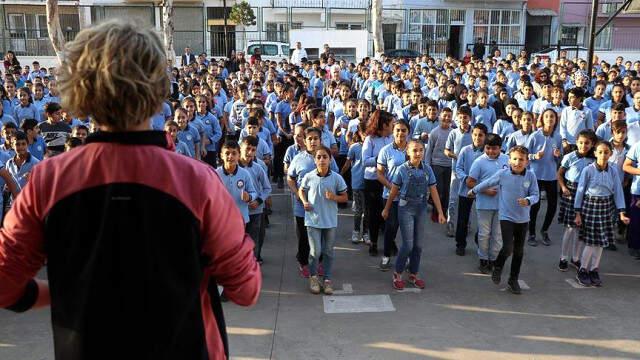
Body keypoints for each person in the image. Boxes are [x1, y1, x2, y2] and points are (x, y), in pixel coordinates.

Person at [0, 19, 260, 359]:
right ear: (157, 89)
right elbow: (246, 290)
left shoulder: (47, 182)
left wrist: (73, 291)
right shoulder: (198, 182)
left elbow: (5, 286)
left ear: (78, 90)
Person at [469, 145, 540, 295]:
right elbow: (488, 182)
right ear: (509, 160)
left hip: (523, 218)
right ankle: (498, 266)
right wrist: (474, 190)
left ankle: (513, 280)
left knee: (519, 252)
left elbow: (535, 195)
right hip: (506, 216)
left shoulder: (531, 176)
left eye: (521, 159)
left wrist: (528, 200)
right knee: (507, 247)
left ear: (527, 161)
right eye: (514, 159)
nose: (517, 162)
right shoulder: (503, 174)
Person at [382, 140, 445, 289]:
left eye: (421, 150)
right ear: (408, 153)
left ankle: (413, 274)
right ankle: (397, 273)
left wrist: (440, 212)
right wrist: (386, 208)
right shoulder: (402, 170)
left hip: (421, 207)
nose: (418, 153)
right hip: (405, 208)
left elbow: (434, 191)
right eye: (415, 150)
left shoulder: (427, 169)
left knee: (418, 245)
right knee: (408, 245)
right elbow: (394, 192)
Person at [574, 141, 630, 287]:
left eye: (606, 152)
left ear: (611, 154)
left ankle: (594, 269)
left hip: (606, 207)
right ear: (595, 153)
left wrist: (621, 212)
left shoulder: (613, 171)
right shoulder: (588, 170)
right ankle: (583, 270)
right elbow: (580, 191)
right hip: (591, 206)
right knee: (591, 242)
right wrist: (578, 212)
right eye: (600, 152)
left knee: (601, 243)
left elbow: (618, 191)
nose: (603, 155)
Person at [299, 145, 348, 295]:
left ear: (330, 159)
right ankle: (313, 278)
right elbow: (301, 189)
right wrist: (304, 201)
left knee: (328, 251)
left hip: (330, 221)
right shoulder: (309, 177)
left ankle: (327, 280)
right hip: (313, 220)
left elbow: (345, 197)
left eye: (325, 157)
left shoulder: (337, 178)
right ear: (314, 160)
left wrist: (334, 197)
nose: (322, 160)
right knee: (315, 251)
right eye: (318, 157)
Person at [466, 133, 509, 273]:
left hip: (502, 206)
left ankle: (494, 259)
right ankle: (483, 259)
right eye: (488, 148)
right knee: (484, 234)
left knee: (498, 235)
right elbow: (470, 182)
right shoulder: (479, 162)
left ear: (500, 148)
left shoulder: (507, 159)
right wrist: (485, 190)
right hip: (484, 205)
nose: (491, 151)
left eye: (494, 148)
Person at [557, 130, 597, 271]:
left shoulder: (594, 160)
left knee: (580, 229)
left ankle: (575, 258)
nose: (583, 145)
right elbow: (560, 174)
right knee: (569, 228)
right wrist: (563, 187)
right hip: (571, 191)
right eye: (580, 142)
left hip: (586, 193)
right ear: (576, 142)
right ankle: (563, 257)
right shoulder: (570, 157)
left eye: (587, 143)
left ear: (592, 144)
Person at [526, 108, 563, 246]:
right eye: (546, 116)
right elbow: (525, 155)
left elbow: (560, 160)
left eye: (552, 116)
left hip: (551, 176)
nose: (549, 119)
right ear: (542, 119)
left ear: (555, 120)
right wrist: (535, 156)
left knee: (553, 205)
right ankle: (531, 233)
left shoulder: (558, 137)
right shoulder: (535, 136)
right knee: (535, 205)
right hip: (536, 175)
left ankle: (545, 230)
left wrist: (558, 156)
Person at [362, 110, 393, 255]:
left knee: (390, 213)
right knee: (374, 213)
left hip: (389, 180)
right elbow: (365, 161)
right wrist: (380, 159)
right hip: (373, 181)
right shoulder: (371, 139)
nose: (393, 126)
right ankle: (373, 243)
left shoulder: (392, 138)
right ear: (383, 125)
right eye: (390, 123)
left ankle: (390, 242)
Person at [454, 123, 488, 256]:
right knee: (463, 218)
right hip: (466, 190)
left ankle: (480, 241)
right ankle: (460, 244)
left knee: (483, 219)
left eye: (480, 135)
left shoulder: (488, 152)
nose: (477, 137)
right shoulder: (465, 150)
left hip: (482, 191)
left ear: (485, 136)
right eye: (475, 134)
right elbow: (458, 168)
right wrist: (466, 179)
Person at [239, 136, 272, 264]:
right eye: (247, 149)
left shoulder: (258, 168)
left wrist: (259, 201)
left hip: (255, 210)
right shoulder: (235, 167)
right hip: (239, 211)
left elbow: (267, 188)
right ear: (240, 148)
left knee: (254, 239)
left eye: (253, 150)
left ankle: (252, 263)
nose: (250, 152)